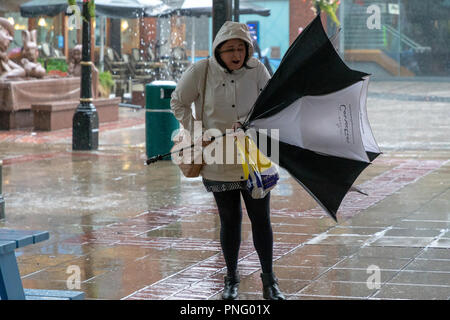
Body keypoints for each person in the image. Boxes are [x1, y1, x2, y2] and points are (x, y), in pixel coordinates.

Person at [171, 21, 285, 300]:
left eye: (241, 48)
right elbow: (178, 101)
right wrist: (197, 131)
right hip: (218, 159)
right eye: (229, 49)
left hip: (254, 158)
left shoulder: (257, 69)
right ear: (217, 51)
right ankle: (231, 279)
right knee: (229, 220)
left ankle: (269, 282)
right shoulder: (202, 71)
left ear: (248, 49)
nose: (236, 54)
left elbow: (272, 102)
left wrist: (250, 123)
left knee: (261, 219)